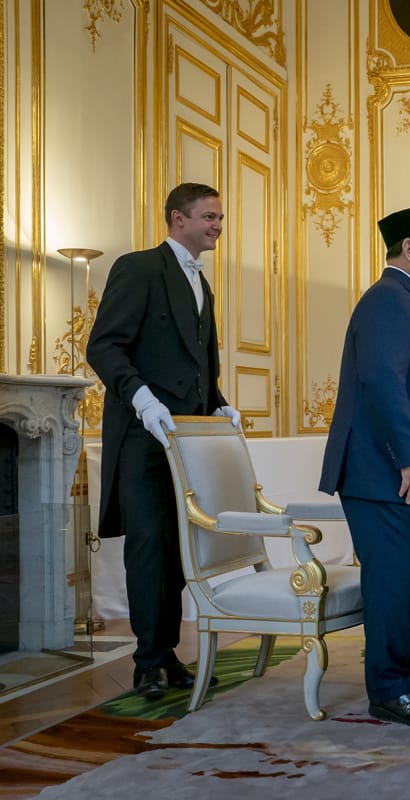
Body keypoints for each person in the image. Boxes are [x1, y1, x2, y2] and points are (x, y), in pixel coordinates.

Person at [86, 182, 241, 700]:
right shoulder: (139, 267)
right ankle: (146, 663)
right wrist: (142, 399)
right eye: (209, 217)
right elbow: (104, 346)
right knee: (150, 547)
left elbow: (197, 363)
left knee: (177, 550)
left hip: (187, 440)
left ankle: (168, 654)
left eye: (219, 217)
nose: (217, 225)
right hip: (143, 437)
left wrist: (217, 401)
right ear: (178, 218)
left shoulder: (203, 283)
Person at [319, 205, 410, 726]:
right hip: (384, 475)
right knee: (394, 585)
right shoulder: (387, 300)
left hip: (396, 475)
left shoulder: (409, 301)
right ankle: (389, 690)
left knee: (404, 583)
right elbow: (382, 381)